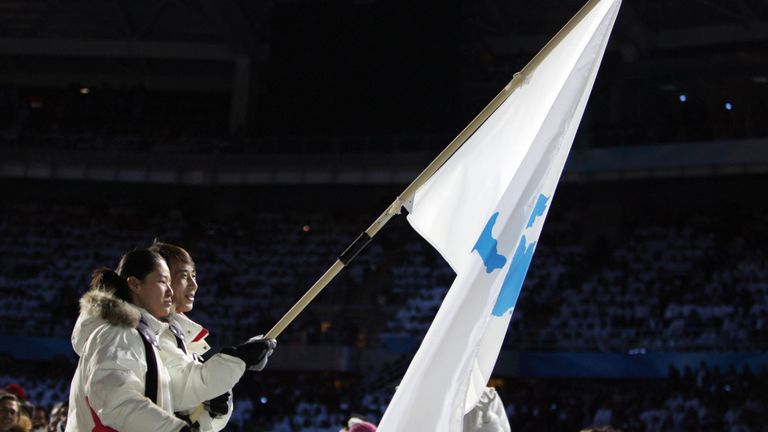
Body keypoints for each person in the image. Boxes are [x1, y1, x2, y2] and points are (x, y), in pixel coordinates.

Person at [149, 241, 276, 431]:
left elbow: (201, 417)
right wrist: (239, 359)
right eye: (184, 276)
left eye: (194, 276)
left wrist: (216, 409)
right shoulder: (151, 333)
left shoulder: (181, 335)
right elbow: (185, 391)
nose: (194, 284)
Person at [66, 249, 192, 431]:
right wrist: (174, 429)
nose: (171, 292)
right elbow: (114, 399)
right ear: (134, 284)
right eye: (163, 281)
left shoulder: (141, 335)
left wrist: (234, 362)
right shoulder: (119, 332)